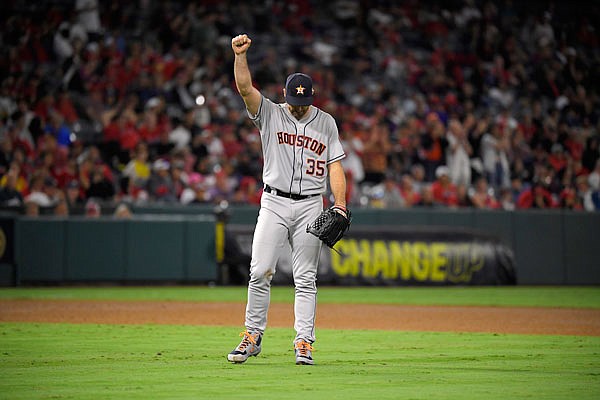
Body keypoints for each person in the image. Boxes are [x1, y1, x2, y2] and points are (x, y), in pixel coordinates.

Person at [227, 34, 348, 366]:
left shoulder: (325, 122)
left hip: (311, 203)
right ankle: (252, 336)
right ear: (283, 94)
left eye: (305, 99)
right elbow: (245, 89)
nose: (299, 104)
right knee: (259, 270)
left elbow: (334, 165)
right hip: (275, 202)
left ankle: (304, 341)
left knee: (306, 276)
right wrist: (240, 57)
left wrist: (340, 203)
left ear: (312, 96)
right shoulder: (269, 113)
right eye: (295, 99)